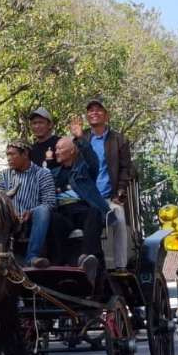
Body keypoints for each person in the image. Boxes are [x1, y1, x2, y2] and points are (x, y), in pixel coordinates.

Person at [70, 97, 133, 270]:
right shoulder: (80, 140)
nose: (94, 113)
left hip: (108, 198)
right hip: (85, 198)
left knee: (119, 218)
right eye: (90, 110)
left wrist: (120, 191)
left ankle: (120, 266)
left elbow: (126, 169)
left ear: (106, 115)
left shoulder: (118, 140)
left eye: (98, 110)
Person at [49, 137, 113, 283]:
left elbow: (92, 160)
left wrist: (79, 138)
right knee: (52, 218)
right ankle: (60, 262)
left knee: (94, 212)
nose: (56, 151)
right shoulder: (53, 174)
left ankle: (87, 257)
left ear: (72, 151)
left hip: (83, 210)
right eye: (56, 148)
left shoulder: (83, 168)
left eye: (60, 148)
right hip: (64, 213)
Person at [0, 140, 56, 268]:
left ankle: (32, 257)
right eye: (7, 155)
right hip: (9, 219)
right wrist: (11, 213)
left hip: (32, 220)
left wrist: (31, 212)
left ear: (25, 154)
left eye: (12, 154)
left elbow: (50, 202)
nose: (9, 158)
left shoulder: (43, 173)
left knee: (44, 210)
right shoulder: (4, 175)